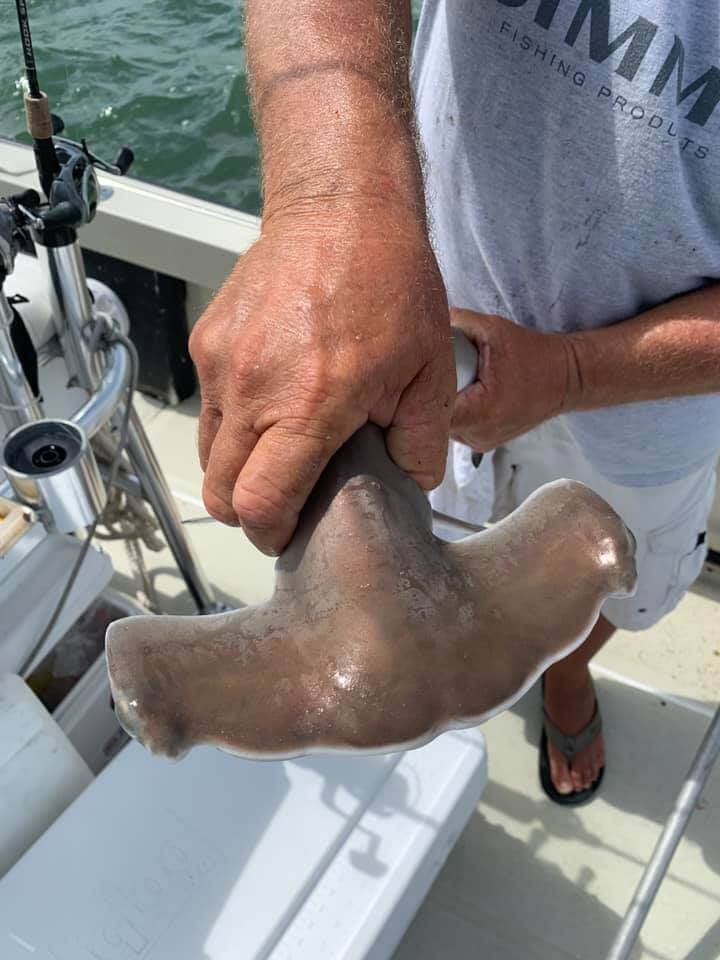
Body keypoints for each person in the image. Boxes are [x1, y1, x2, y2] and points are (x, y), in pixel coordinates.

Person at [189, 0, 720, 804]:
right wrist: (332, 205)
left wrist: (574, 371)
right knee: (410, 559)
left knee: (612, 574)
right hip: (426, 329)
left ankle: (567, 671)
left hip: (654, 393)